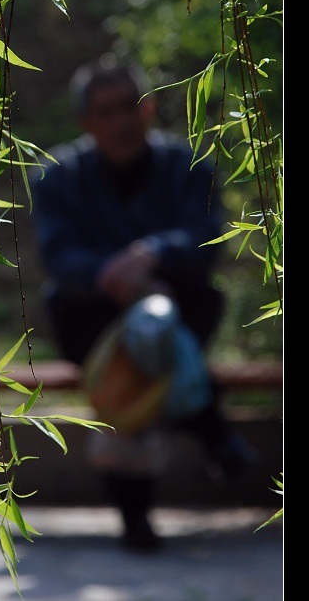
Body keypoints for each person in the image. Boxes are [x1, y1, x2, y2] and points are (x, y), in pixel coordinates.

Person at [30, 59, 256, 552]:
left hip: (179, 306)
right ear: (86, 121)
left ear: (149, 109)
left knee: (147, 352)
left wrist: (150, 255)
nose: (121, 122)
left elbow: (205, 239)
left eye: (130, 107)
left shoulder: (187, 165)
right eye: (106, 111)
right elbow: (61, 258)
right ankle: (209, 426)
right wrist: (129, 284)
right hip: (93, 315)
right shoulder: (57, 176)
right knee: (140, 345)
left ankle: (136, 522)